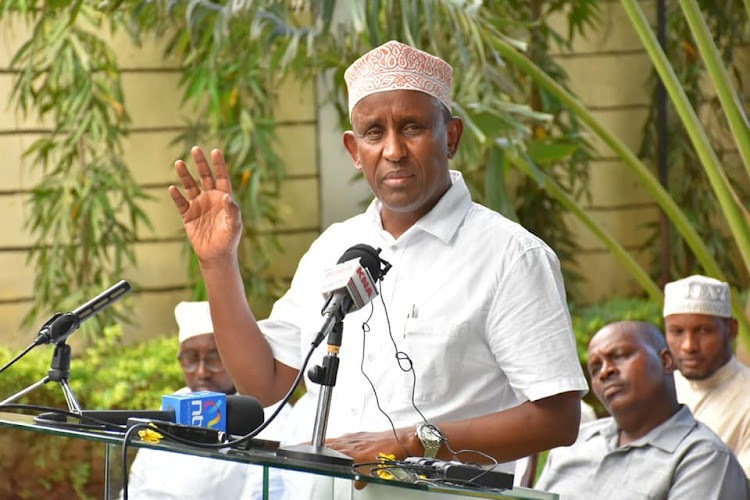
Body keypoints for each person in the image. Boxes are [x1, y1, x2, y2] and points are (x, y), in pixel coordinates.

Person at [169, 40, 588, 497]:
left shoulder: (511, 255)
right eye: (373, 132)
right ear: (354, 149)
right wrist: (218, 262)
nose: (393, 150)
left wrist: (410, 442)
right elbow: (265, 384)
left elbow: (558, 420)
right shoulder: (334, 246)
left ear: (451, 137)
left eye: (412, 127)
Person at [535, 321, 748, 499]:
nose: (605, 371)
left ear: (666, 361)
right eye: (595, 368)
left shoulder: (703, 458)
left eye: (620, 355)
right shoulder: (573, 445)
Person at [123, 301, 288, 499]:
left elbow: (262, 491)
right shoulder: (174, 403)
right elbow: (136, 482)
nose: (202, 372)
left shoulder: (266, 411)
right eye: (191, 359)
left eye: (214, 358)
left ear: (234, 358)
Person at [664, 274, 750, 477]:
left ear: (731, 330)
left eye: (703, 331)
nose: (689, 346)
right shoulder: (659, 391)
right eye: (677, 332)